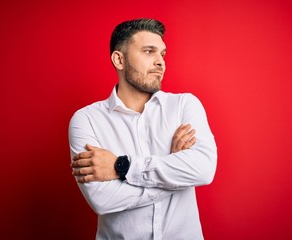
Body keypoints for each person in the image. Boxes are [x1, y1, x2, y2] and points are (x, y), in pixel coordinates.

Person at [69, 18, 217, 240]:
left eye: (162, 54)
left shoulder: (184, 105)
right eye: (149, 51)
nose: (160, 62)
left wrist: (122, 167)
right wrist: (176, 173)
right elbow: (102, 200)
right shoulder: (86, 119)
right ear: (119, 59)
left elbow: (204, 170)